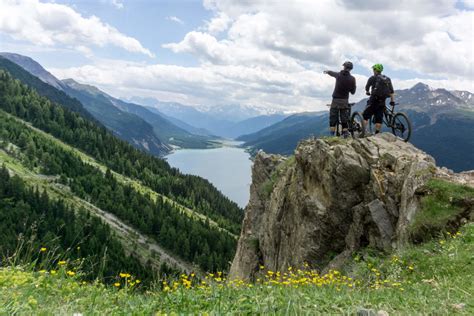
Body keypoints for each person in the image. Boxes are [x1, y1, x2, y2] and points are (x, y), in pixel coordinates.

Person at [324, 61, 356, 138]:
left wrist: (327, 71)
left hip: (335, 100)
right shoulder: (352, 79)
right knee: (344, 118)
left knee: (333, 117)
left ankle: (332, 136)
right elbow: (353, 92)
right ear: (351, 69)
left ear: (344, 67)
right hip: (344, 101)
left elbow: (331, 73)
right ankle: (345, 133)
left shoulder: (338, 75)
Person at [363, 64, 395, 134]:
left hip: (373, 100)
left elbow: (367, 87)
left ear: (375, 70)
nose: (373, 71)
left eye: (373, 69)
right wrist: (392, 101)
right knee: (379, 118)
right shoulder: (387, 79)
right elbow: (391, 91)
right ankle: (377, 133)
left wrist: (367, 92)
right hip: (382, 101)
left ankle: (362, 132)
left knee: (365, 116)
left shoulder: (372, 78)